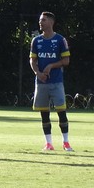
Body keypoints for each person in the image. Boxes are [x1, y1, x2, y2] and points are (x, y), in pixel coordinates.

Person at [30, 11, 72, 151]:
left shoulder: (60, 40)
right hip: (41, 82)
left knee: (61, 112)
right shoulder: (36, 41)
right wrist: (38, 73)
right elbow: (32, 60)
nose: (40, 22)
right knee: (44, 113)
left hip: (56, 82)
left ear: (51, 22)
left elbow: (66, 61)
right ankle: (48, 143)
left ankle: (66, 142)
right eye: (40, 20)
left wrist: (51, 66)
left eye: (43, 20)